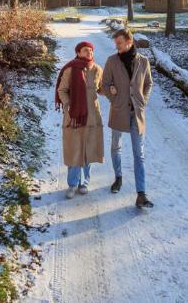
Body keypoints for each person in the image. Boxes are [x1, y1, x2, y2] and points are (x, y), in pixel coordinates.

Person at [101, 27, 154, 209]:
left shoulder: (143, 62)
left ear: (129, 42)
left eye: (120, 43)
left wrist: (143, 101)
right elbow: (105, 85)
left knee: (139, 154)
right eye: (116, 44)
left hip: (137, 115)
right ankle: (118, 177)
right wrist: (113, 97)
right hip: (118, 112)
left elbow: (148, 83)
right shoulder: (112, 61)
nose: (117, 47)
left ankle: (141, 194)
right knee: (116, 147)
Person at [55, 41, 105, 199]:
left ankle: (85, 183)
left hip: (92, 116)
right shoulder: (70, 70)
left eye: (91, 50)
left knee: (88, 150)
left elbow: (101, 88)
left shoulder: (97, 69)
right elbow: (61, 90)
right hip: (74, 116)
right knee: (74, 149)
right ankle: (72, 184)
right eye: (85, 50)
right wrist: (68, 104)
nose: (89, 52)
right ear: (78, 52)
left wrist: (111, 89)